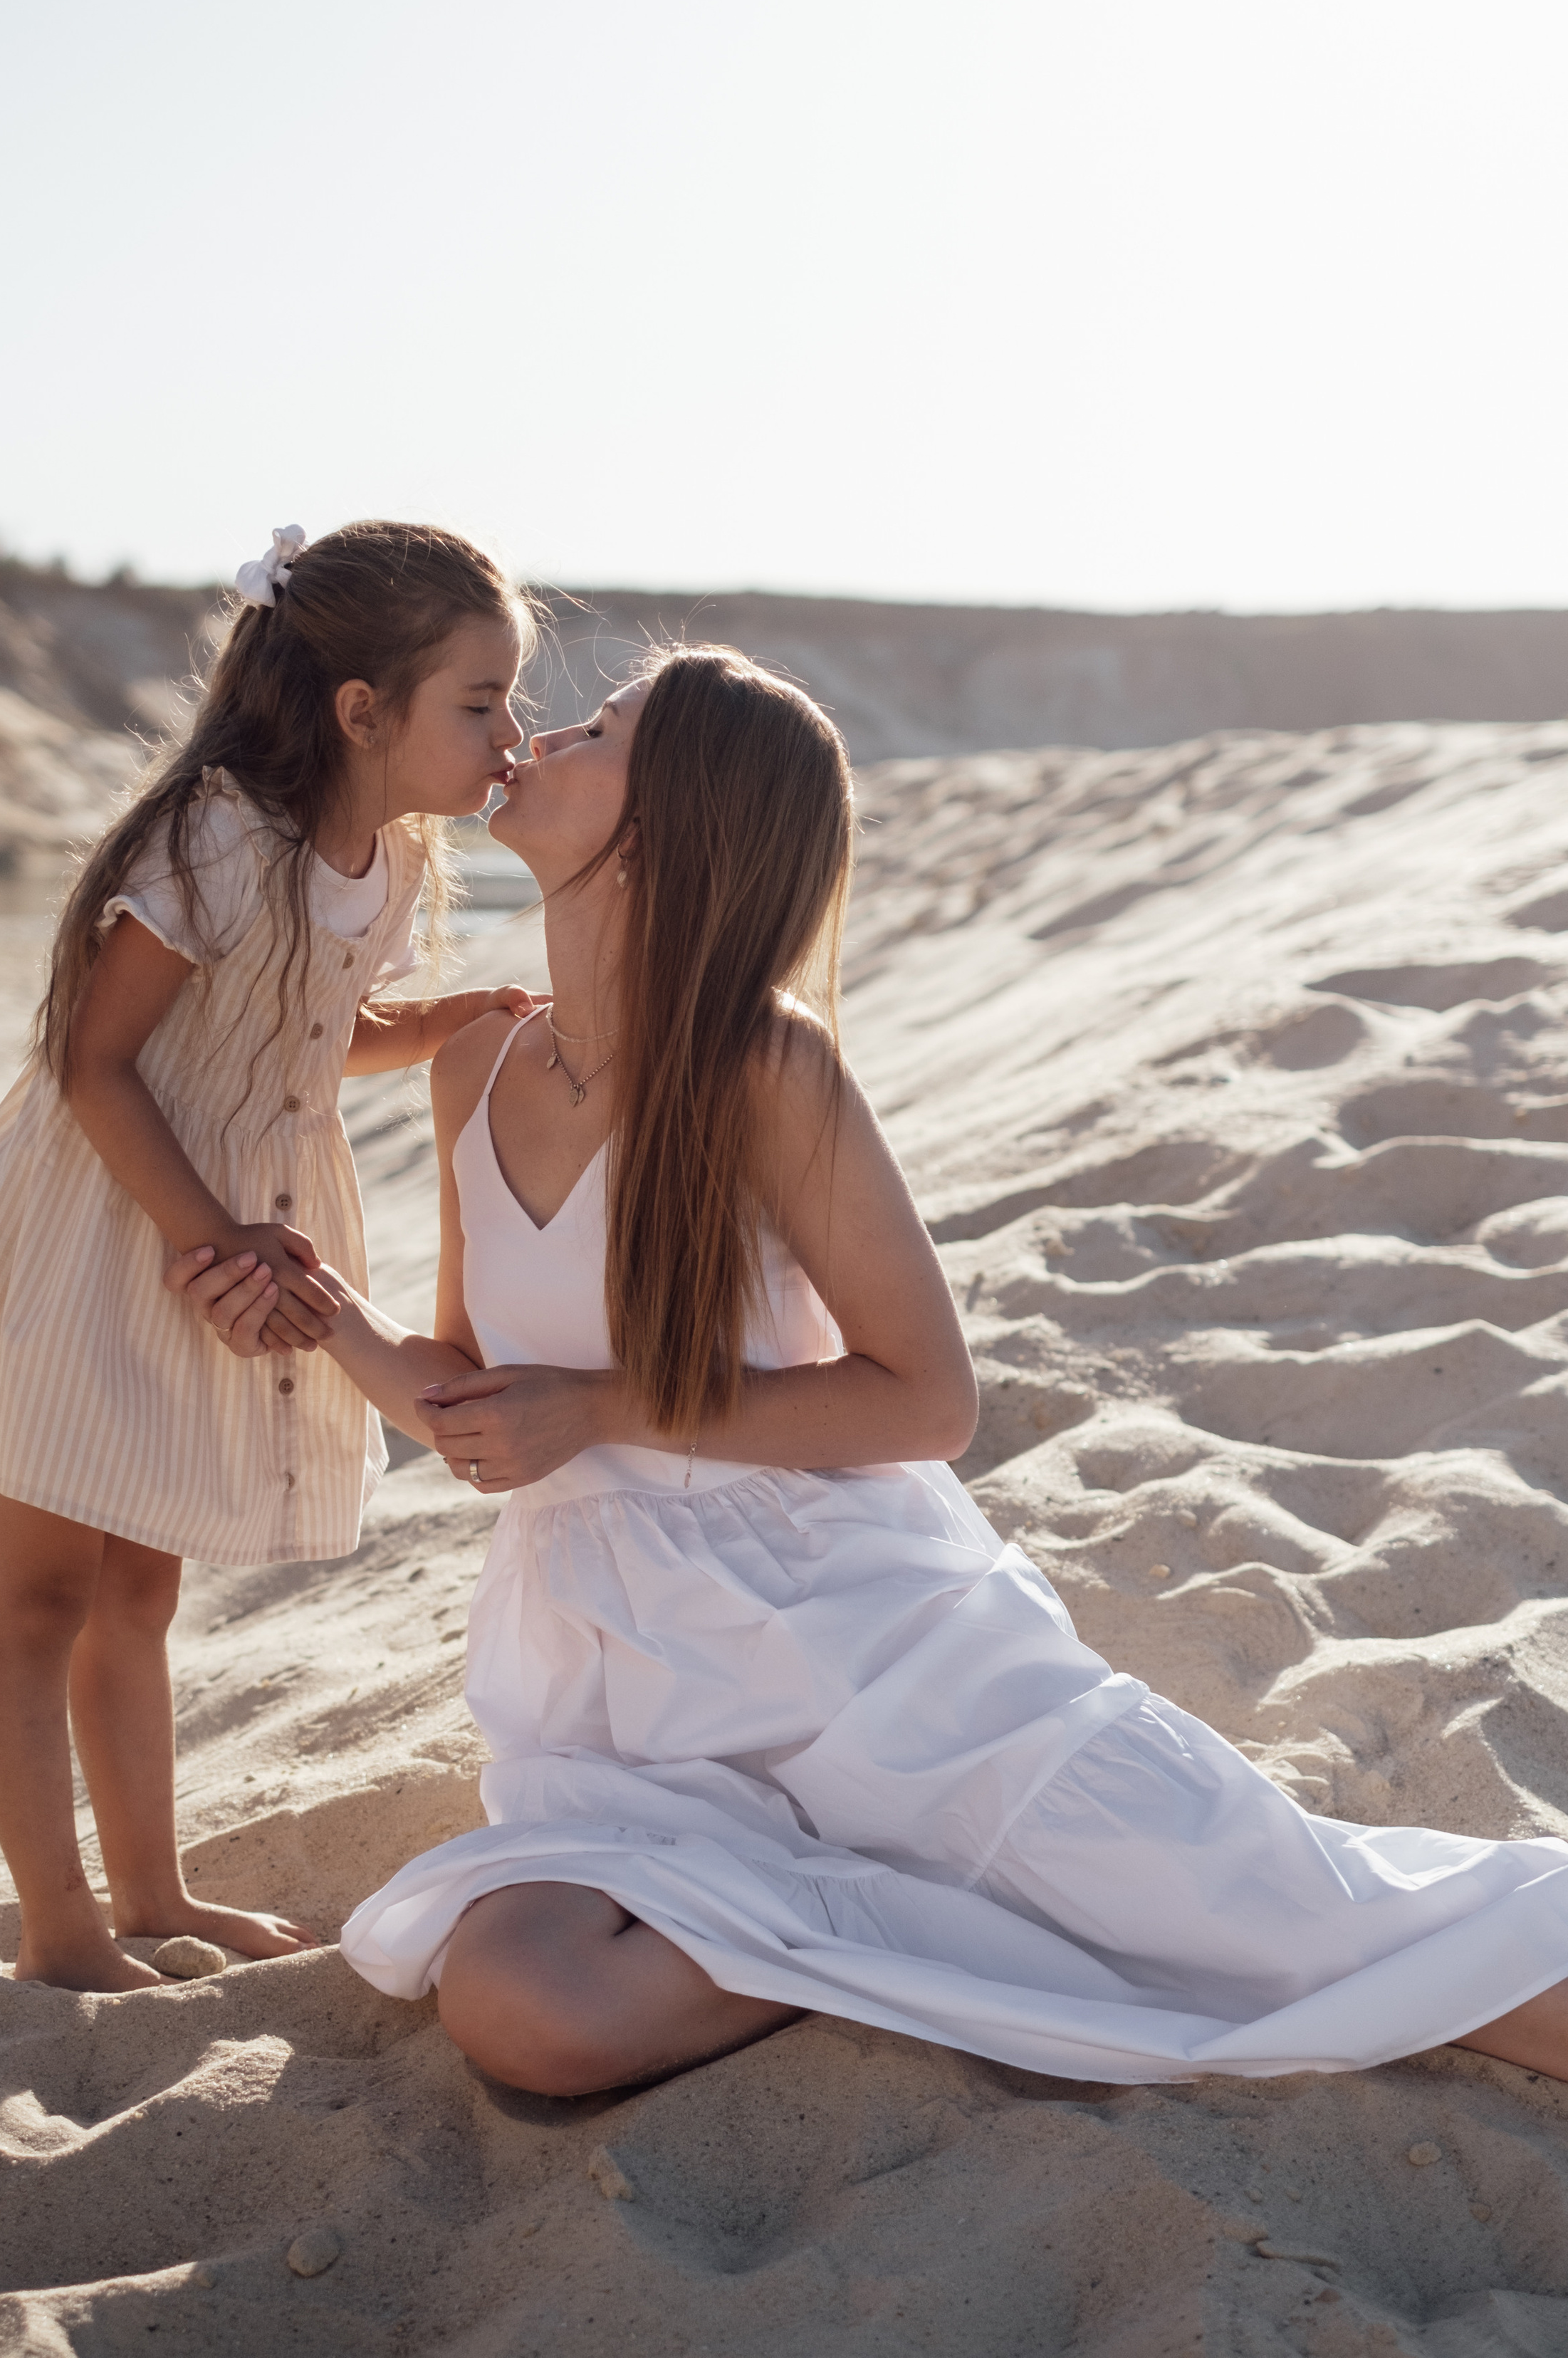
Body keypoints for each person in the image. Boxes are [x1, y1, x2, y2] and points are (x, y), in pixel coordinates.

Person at [172, 644, 1568, 2093]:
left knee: (1333, 1951)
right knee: (528, 2005)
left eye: (595, 729)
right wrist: (318, 1310)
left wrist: (602, 1409)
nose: (538, 734)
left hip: (862, 1653)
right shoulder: (476, 1061)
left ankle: (935, 1913)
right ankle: (896, 1923)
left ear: (664, 823)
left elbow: (925, 1400)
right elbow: (476, 1401)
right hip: (619, 1690)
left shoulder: (761, 1070)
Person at [0, 519, 541, 1993]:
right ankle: (58, 1927)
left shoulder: (388, 857)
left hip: (226, 1231)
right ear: (361, 710)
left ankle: (150, 1896)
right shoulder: (219, 834)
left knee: (141, 1594)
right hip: (109, 1225)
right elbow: (97, 1059)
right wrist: (214, 1241)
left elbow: (302, 1031)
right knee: (41, 1593)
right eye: (480, 702)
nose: (510, 737)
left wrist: (435, 1026)